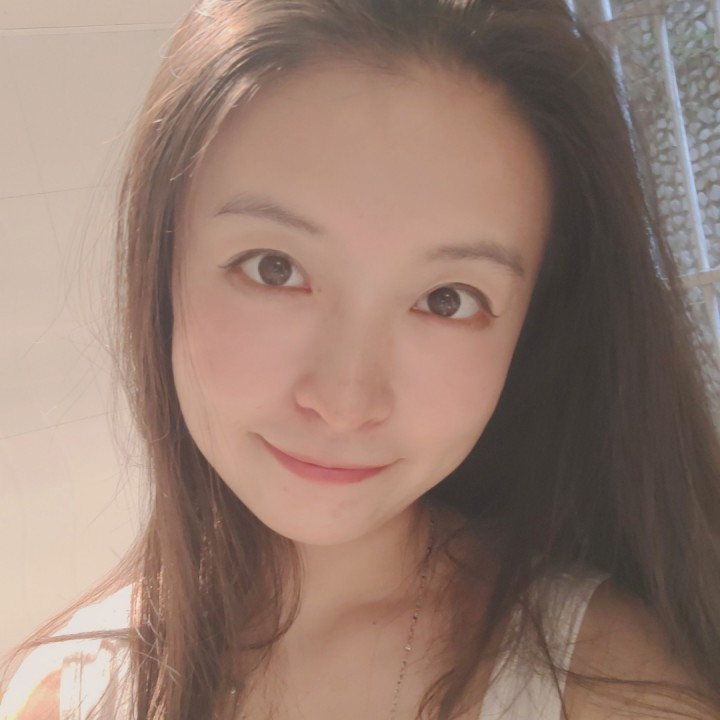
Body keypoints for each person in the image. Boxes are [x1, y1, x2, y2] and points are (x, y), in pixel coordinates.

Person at [2, 0, 720, 718]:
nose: (345, 402)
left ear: (531, 331)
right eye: (275, 268)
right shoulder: (63, 698)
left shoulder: (613, 688)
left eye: (447, 300)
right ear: (163, 268)